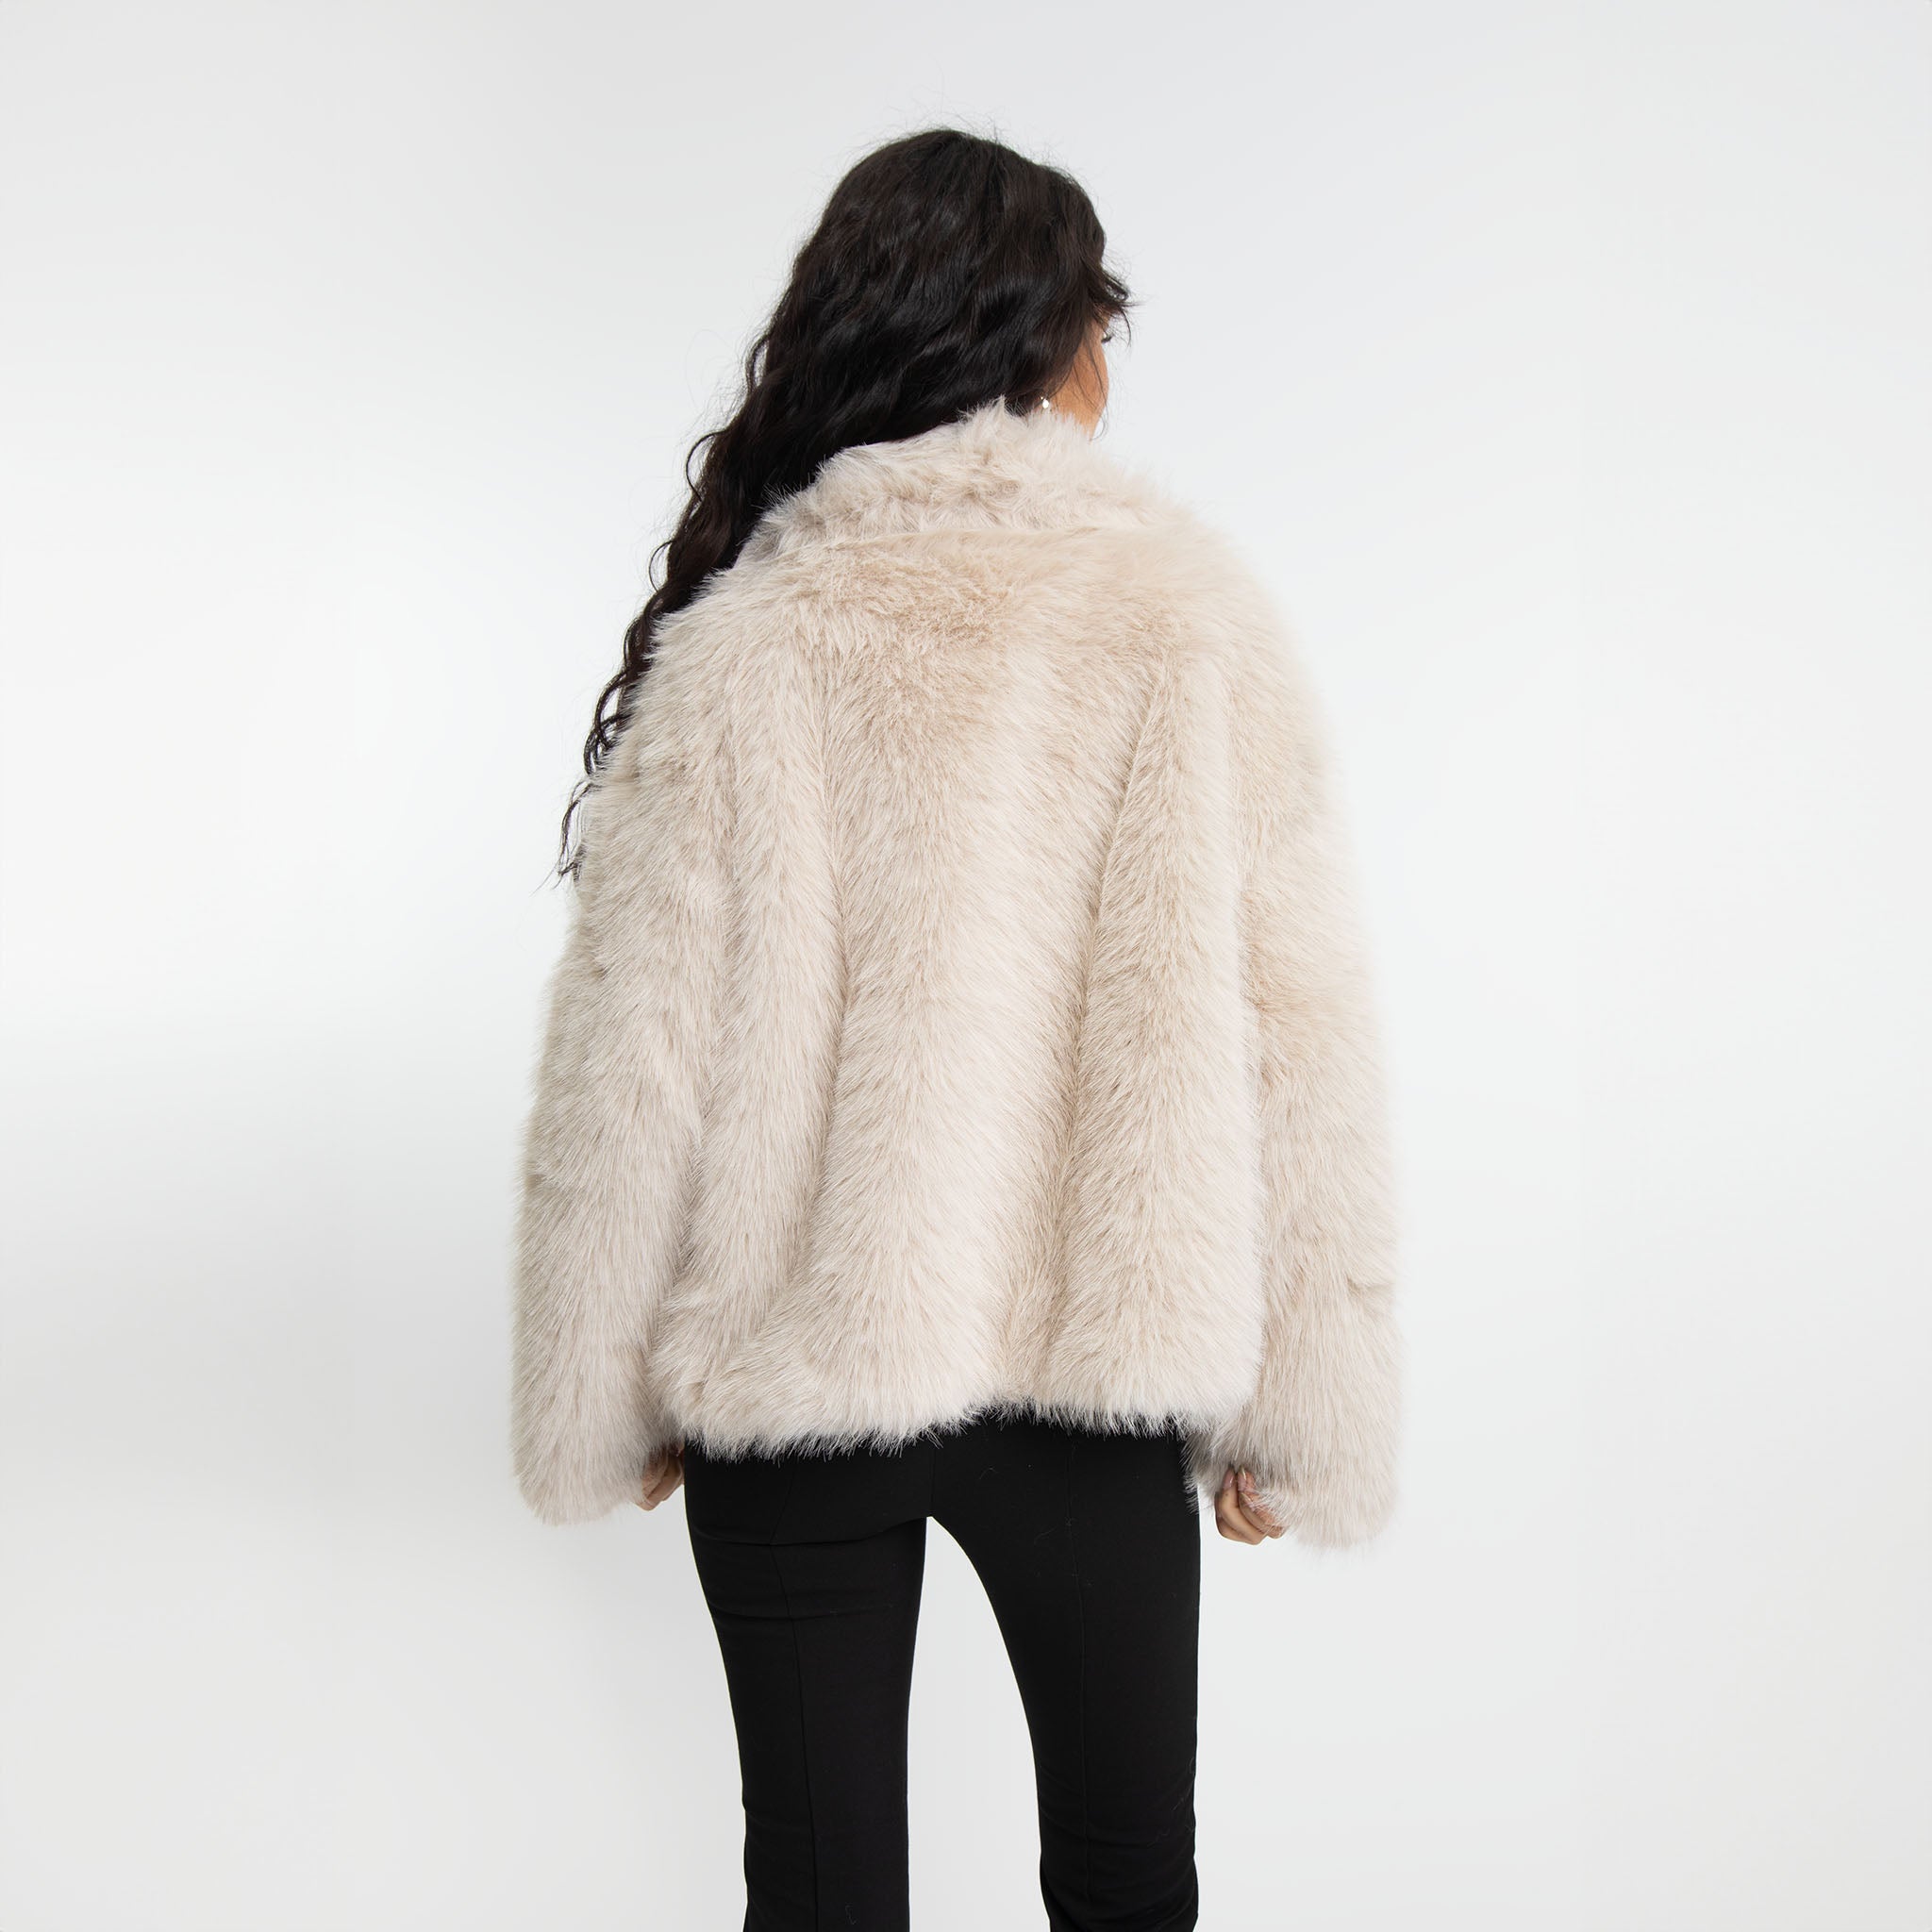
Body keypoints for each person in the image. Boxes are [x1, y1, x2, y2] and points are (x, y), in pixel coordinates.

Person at [509, 126, 1400, 1932]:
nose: (1105, 371)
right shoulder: (1188, 620)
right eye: (1099, 328)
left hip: (798, 1368)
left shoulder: (751, 635)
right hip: (1095, 1369)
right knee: (1130, 1885)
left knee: (819, 1894)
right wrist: (1300, 1408)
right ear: (1043, 344)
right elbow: (1296, 1032)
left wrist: (602, 1384)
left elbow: (635, 1059)